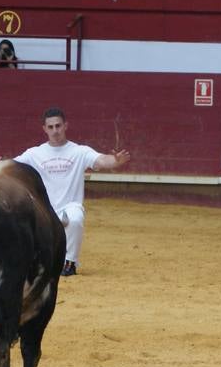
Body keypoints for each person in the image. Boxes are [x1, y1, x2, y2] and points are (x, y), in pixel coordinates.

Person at [12, 107, 131, 277]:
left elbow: (101, 160)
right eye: (51, 127)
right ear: (44, 129)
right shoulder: (34, 153)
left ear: (66, 126)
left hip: (70, 206)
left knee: (75, 218)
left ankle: (70, 262)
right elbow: (13, 166)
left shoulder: (79, 151)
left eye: (58, 126)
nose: (55, 131)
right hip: (44, 209)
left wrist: (115, 161)